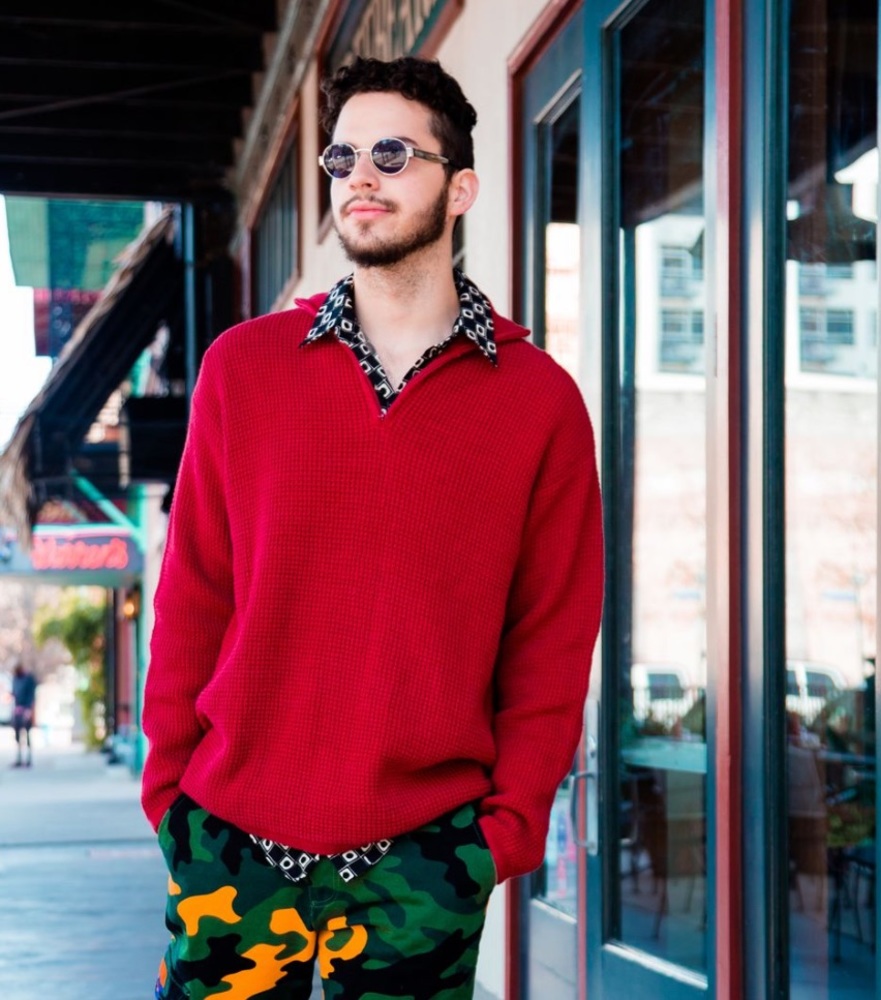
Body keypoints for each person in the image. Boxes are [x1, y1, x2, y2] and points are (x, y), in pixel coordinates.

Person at [142, 56, 603, 1000]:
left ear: (460, 187)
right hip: (231, 839)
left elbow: (552, 638)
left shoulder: (539, 402)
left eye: (393, 155)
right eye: (343, 156)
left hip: (426, 859)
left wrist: (502, 834)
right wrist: (172, 798)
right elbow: (194, 593)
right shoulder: (243, 369)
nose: (360, 175)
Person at [10, 662, 36, 768]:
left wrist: (29, 709)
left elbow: (31, 695)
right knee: (17, 735)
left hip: (26, 709)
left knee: (27, 734)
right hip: (18, 710)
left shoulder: (28, 679)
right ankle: (19, 758)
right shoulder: (15, 679)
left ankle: (28, 758)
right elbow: (14, 693)